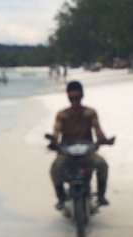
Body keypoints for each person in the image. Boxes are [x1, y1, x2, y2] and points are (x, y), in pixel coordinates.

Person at [49, 80, 115, 210]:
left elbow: (98, 129)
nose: (75, 101)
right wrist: (54, 142)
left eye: (77, 97)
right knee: (55, 169)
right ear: (68, 96)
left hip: (87, 150)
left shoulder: (90, 113)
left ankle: (101, 195)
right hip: (66, 151)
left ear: (82, 96)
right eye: (72, 98)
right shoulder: (61, 115)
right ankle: (61, 197)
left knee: (102, 165)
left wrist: (104, 140)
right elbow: (56, 131)